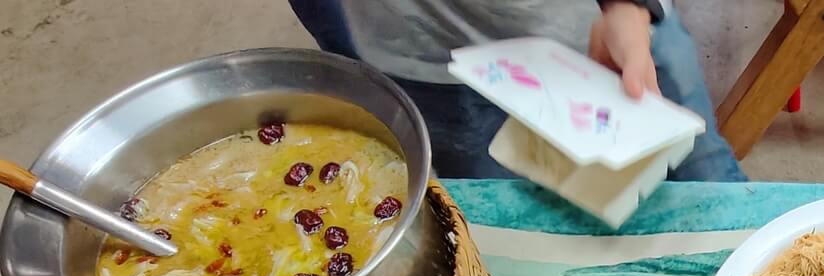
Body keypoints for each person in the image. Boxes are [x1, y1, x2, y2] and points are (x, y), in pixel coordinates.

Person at [287, 0, 745, 182]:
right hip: (434, 54)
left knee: (706, 176)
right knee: (514, 217)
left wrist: (629, 7)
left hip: (602, 22)